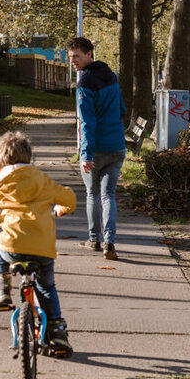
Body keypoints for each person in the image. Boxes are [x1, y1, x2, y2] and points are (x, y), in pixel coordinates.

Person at [0, 130, 76, 357]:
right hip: (42, 249)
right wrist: (61, 208)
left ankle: (2, 289)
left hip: (12, 247)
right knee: (47, 287)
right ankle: (57, 332)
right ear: (30, 159)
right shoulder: (41, 179)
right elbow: (69, 198)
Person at [68, 36, 127, 261]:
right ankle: (109, 241)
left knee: (93, 194)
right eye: (71, 57)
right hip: (117, 147)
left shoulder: (85, 84)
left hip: (96, 150)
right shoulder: (112, 77)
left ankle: (94, 239)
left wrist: (85, 154)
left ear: (89, 54)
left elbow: (87, 122)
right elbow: (122, 108)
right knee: (109, 195)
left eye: (76, 56)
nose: (73, 61)